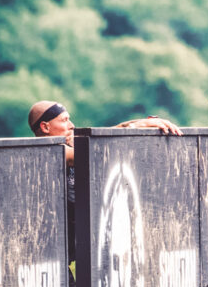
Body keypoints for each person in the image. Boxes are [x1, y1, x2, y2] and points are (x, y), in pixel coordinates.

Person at [27, 100, 182, 260]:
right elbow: (93, 151)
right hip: (46, 252)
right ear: (45, 127)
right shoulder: (45, 150)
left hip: (71, 244)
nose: (71, 125)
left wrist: (145, 123)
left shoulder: (67, 143)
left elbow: (110, 132)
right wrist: (136, 128)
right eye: (64, 120)